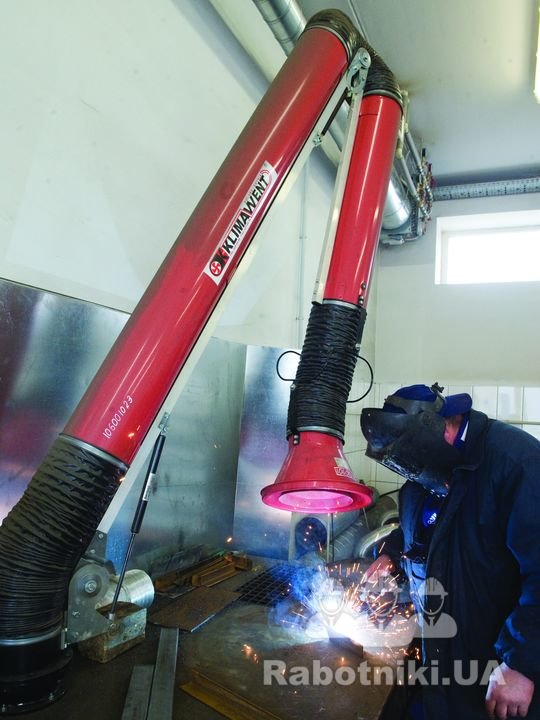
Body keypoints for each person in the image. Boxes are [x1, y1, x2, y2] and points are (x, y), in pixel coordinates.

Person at [360, 383, 540, 720]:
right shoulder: (426, 473)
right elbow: (429, 528)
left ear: (439, 427)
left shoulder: (517, 463)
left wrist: (523, 663)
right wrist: (392, 555)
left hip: (501, 672)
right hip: (445, 659)